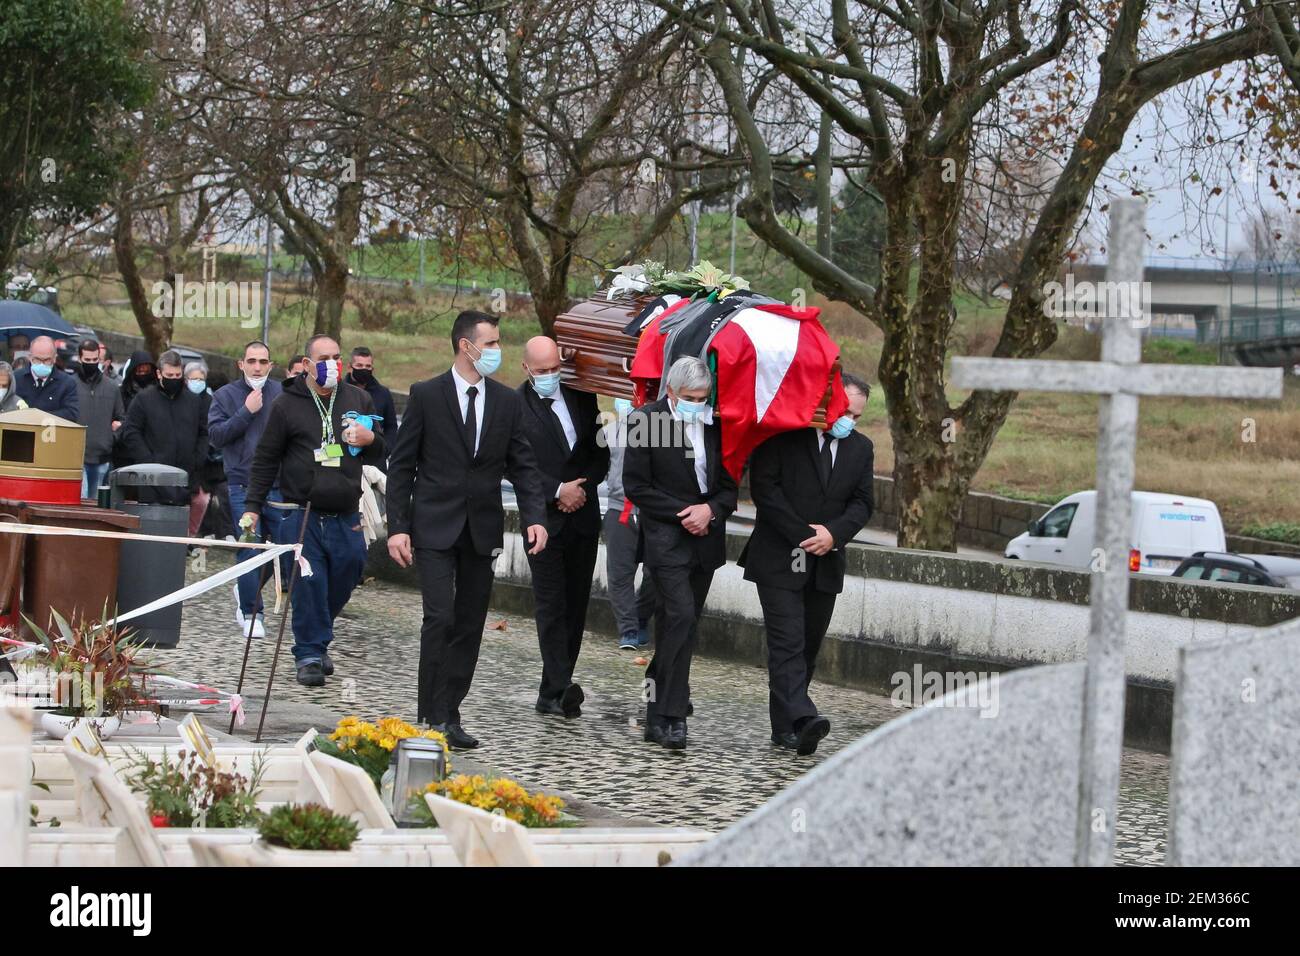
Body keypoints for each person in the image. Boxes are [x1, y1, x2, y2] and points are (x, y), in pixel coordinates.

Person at [386, 310, 549, 749]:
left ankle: (449, 713)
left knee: (469, 622)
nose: (497, 351)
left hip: (481, 530)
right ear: (466, 346)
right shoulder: (426, 395)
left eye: (498, 343)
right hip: (434, 526)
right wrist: (397, 527)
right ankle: (428, 714)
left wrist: (535, 516)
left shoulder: (506, 402)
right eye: (491, 343)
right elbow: (401, 466)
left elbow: (524, 466)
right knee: (439, 616)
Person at [739, 374, 875, 756]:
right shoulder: (785, 435)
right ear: (826, 404)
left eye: (857, 415)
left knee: (807, 647)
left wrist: (833, 534)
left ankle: (786, 729)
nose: (849, 420)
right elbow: (764, 488)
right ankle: (802, 717)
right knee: (787, 642)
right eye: (844, 411)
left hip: (826, 562)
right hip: (779, 557)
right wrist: (804, 534)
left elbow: (863, 503)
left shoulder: (861, 449)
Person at [243, 335, 385, 687]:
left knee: (349, 571)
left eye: (337, 357)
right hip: (301, 512)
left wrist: (371, 440)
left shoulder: (358, 398)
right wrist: (252, 506)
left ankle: (318, 636)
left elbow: (379, 450)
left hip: (346, 513)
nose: (332, 364)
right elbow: (265, 459)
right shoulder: (285, 405)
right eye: (324, 358)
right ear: (307, 364)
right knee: (309, 581)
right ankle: (308, 653)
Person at [623, 356, 737, 751]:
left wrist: (711, 511)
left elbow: (729, 487)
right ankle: (666, 717)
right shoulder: (646, 421)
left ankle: (658, 692)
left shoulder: (716, 424)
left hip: (705, 540)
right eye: (689, 397)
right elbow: (636, 486)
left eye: (703, 397)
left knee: (683, 624)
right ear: (670, 392)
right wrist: (682, 514)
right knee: (680, 615)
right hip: (665, 540)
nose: (697, 403)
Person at [516, 335, 608, 718]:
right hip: (544, 522)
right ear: (527, 369)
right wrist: (557, 491)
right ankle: (558, 688)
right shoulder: (514, 407)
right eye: (542, 371)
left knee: (575, 607)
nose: (550, 376)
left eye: (555, 369)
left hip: (583, 516)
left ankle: (552, 689)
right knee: (551, 606)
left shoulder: (582, 398)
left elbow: (600, 452)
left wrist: (580, 489)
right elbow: (517, 465)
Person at [209, 341, 285, 639]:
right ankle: (253, 611)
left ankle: (245, 586)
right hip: (242, 483)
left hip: (278, 486)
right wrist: (245, 412)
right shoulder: (224, 396)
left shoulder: (282, 394)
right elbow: (216, 436)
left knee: (285, 548)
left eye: (262, 362)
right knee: (250, 546)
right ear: (241, 363)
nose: (257, 367)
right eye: (251, 361)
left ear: (271, 364)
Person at [118, 349, 208, 505]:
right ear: (159, 374)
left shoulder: (193, 401)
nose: (174, 379)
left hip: (185, 478)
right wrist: (147, 460)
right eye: (169, 376)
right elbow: (131, 432)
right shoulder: (143, 399)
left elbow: (204, 432)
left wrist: (197, 460)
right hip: (152, 480)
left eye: (177, 375)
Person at [602, 397, 656, 650]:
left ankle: (641, 617)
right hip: (619, 510)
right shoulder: (610, 431)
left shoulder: (663, 430)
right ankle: (628, 629)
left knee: (656, 572)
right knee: (619, 573)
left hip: (654, 512)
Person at [73, 338, 125, 500]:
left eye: (95, 360)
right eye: (87, 360)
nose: (91, 363)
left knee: (96, 506)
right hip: (76, 457)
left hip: (102, 457)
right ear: (80, 358)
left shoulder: (112, 387)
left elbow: (121, 419)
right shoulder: (70, 385)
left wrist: (111, 438)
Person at [345, 346, 398, 451]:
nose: (364, 369)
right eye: (359, 365)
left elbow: (391, 426)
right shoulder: (338, 391)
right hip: (346, 456)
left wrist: (386, 449)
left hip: (375, 456)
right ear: (350, 367)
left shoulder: (383, 393)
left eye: (368, 366)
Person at [15, 336, 78, 421]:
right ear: (30, 357)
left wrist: (40, 416)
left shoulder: (67, 383)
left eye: (46, 360)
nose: (42, 364)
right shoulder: (16, 378)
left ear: (54, 358)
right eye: (37, 359)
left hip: (52, 432)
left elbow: (71, 413)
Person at [183, 361, 212, 535]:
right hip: (184, 457)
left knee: (201, 500)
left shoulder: (210, 401)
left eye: (201, 379)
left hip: (203, 464)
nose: (197, 382)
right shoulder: (183, 400)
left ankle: (191, 534)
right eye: (194, 379)